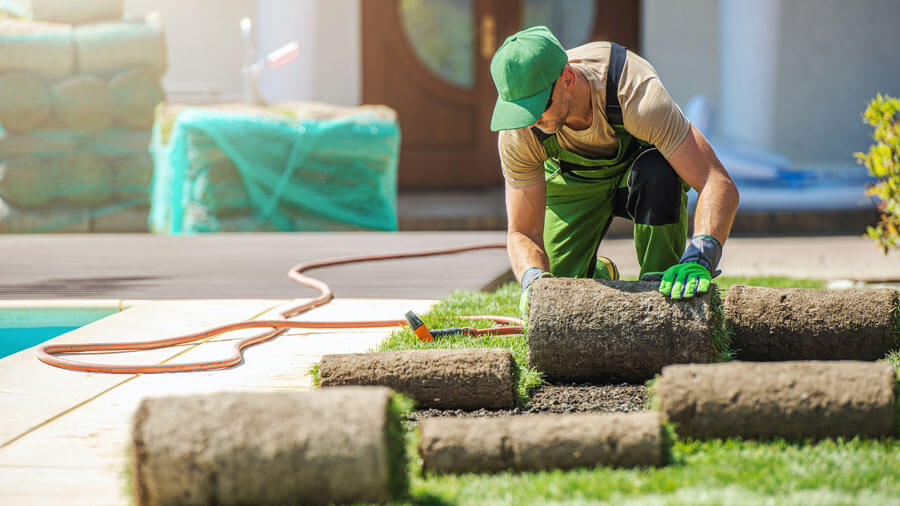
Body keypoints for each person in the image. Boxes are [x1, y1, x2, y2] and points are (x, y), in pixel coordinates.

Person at [489, 26, 739, 313]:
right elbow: (522, 232)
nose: (532, 121)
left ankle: (660, 289)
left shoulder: (634, 93)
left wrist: (701, 255)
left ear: (567, 78)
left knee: (659, 172)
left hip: (636, 176)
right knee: (557, 295)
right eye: (521, 110)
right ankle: (599, 273)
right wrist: (533, 280)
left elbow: (716, 181)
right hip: (572, 183)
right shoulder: (519, 131)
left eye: (539, 107)